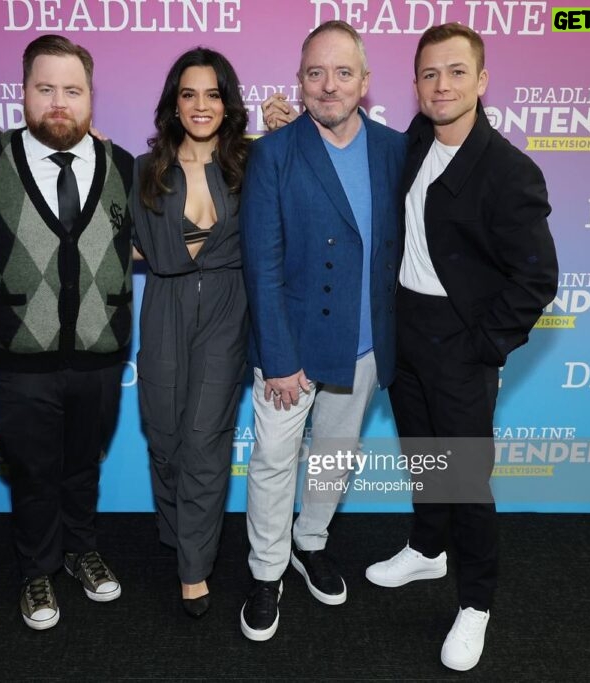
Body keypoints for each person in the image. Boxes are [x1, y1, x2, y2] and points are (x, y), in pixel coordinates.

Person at [363, 23, 558, 671]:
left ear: (482, 81)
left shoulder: (508, 170)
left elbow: (537, 277)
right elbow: (357, 148)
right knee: (423, 452)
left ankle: (475, 602)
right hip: (406, 328)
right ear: (415, 84)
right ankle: (426, 547)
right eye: (428, 73)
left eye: (454, 72)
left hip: (461, 343)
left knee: (467, 478)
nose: (440, 85)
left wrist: (482, 347)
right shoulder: (415, 141)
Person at [239, 20, 406, 641]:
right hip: (292, 350)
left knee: (335, 457)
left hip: (364, 346)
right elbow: (262, 262)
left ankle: (310, 543)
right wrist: (279, 358)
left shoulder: (395, 149)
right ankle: (265, 571)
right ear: (299, 82)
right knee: (274, 463)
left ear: (365, 82)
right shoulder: (273, 153)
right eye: (315, 73)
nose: (328, 85)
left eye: (342, 73)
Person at [0, 35, 133, 631]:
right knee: (32, 469)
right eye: (45, 89)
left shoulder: (124, 166)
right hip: (21, 356)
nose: (58, 102)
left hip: (101, 352)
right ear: (23, 93)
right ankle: (36, 570)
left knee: (83, 461)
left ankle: (81, 550)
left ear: (91, 97)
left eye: (72, 90)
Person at [130, 48, 250, 619]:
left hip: (228, 307)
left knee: (206, 437)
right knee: (165, 434)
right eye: (188, 94)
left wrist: (285, 123)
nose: (201, 105)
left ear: (226, 103)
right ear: (174, 104)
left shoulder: (251, 163)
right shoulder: (142, 169)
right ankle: (179, 533)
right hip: (164, 304)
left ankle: (194, 568)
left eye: (212, 94)